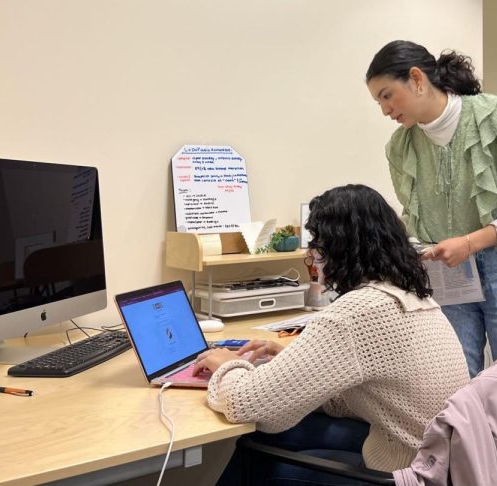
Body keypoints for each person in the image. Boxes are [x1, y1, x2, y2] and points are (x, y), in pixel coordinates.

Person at [194, 184, 471, 485]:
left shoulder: (356, 312)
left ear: (338, 249)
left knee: (258, 458)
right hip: (435, 461)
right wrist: (299, 365)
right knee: (282, 431)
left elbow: (246, 405)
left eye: (317, 245)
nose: (313, 256)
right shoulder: (410, 295)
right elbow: (363, 392)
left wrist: (226, 364)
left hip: (406, 475)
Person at [365, 40, 497, 386]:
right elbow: (414, 218)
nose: (384, 110)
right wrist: (413, 246)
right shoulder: (400, 147)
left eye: (387, 95)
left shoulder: (495, 117)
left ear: (417, 78)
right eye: (378, 101)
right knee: (453, 389)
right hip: (447, 276)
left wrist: (469, 243)